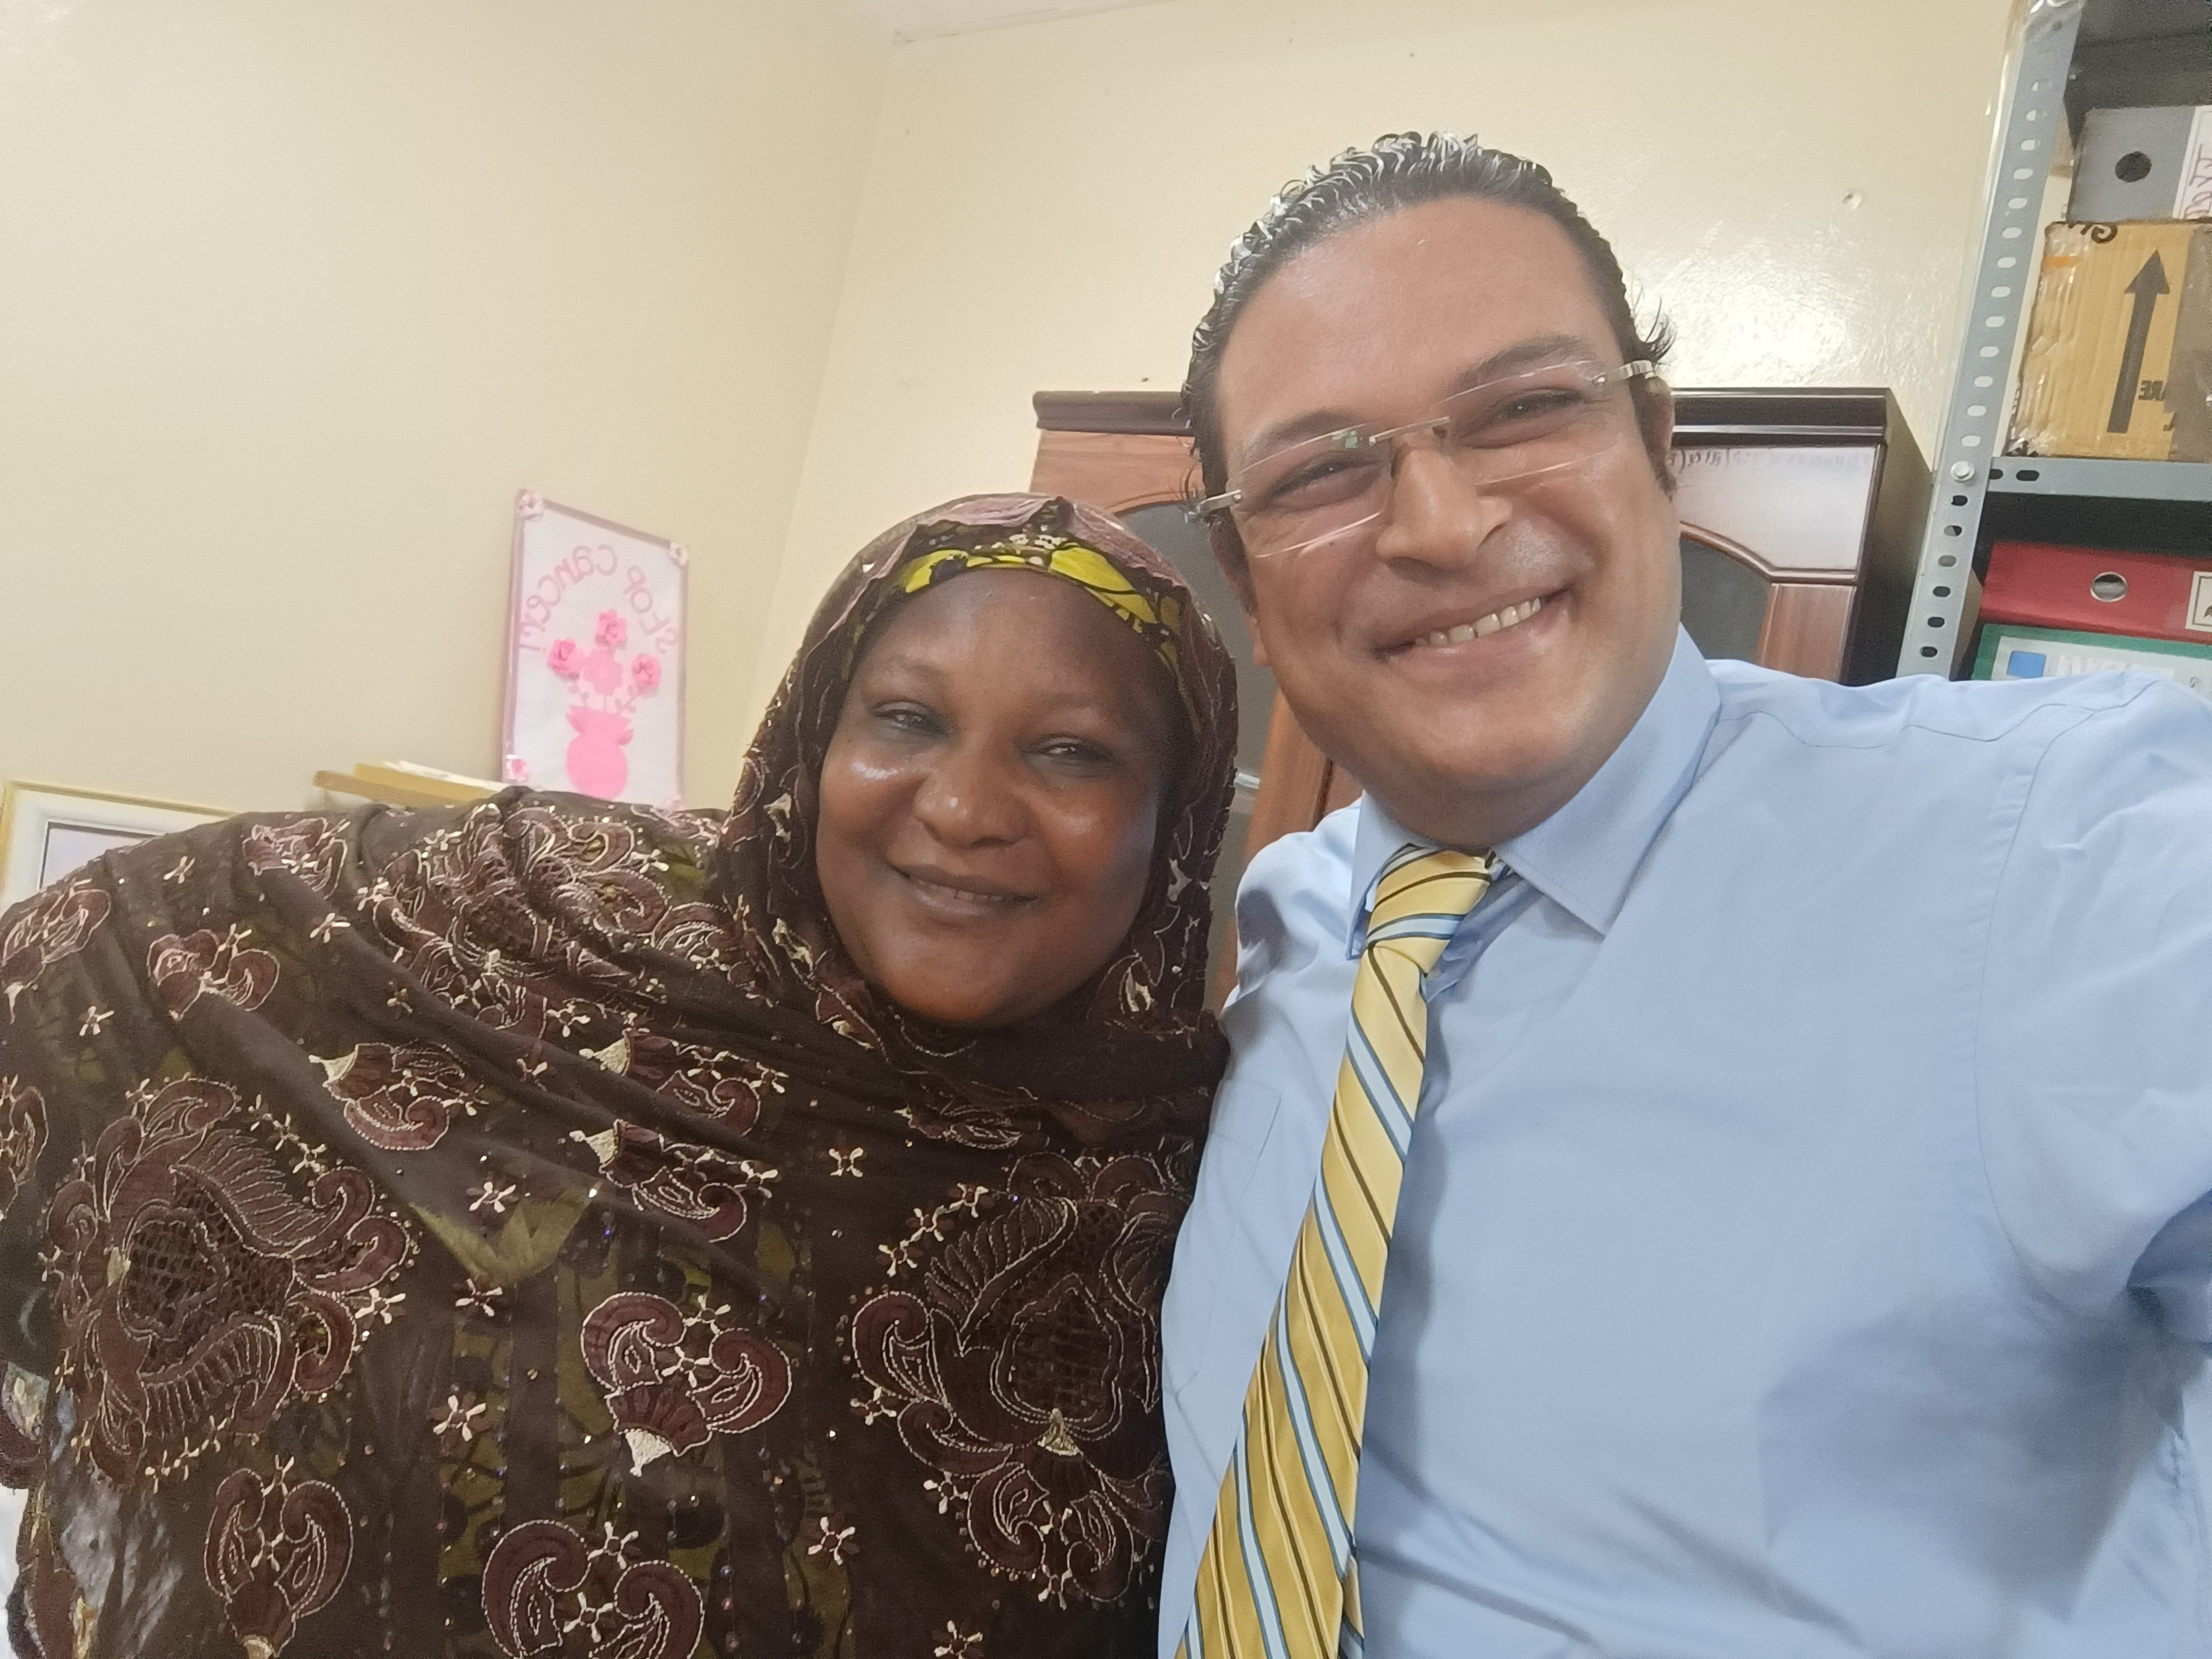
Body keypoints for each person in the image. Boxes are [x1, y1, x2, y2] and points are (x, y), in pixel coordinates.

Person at [1157, 132, 2212, 1659]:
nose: (1441, 525)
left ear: (1657, 443)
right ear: (1247, 585)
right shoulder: (1291, 919)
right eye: (1322, 471)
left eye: (1524, 409)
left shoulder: (2052, 851)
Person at [0, 492, 1238, 1659]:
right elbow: (120, 945)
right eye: (908, 719)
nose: (965, 808)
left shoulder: (1199, 1172)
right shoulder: (539, 921)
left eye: (1071, 752)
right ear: (814, 739)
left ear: (1175, 816)